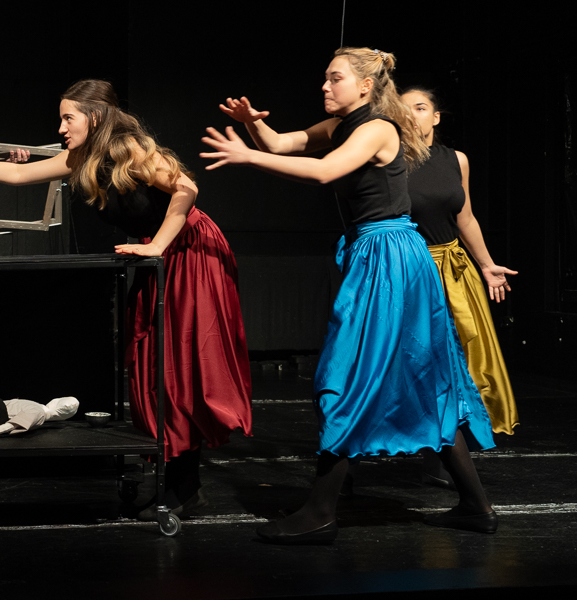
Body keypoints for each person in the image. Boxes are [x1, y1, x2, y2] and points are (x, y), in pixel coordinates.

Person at [202, 47, 496, 544]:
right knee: (424, 380)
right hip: (378, 255)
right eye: (325, 77)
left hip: (390, 257)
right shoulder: (342, 125)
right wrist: (254, 126)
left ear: (365, 86)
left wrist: (247, 157)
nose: (324, 86)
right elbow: (283, 142)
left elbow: (324, 171)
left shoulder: (378, 128)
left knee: (347, 378)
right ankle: (475, 506)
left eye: (334, 78)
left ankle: (320, 511)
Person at [0, 79, 253, 520]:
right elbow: (19, 175)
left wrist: (158, 245)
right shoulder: (80, 158)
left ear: (96, 117)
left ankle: (185, 488)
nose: (61, 127)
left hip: (190, 252)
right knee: (154, 366)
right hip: (159, 255)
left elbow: (187, 189)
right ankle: (183, 485)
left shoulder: (132, 149)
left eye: (69, 118)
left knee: (178, 367)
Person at [401, 87, 518, 482]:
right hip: (412, 270)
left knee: (462, 360)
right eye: (404, 109)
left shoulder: (456, 159)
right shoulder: (389, 158)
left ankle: (442, 458)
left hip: (453, 269)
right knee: (413, 361)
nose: (412, 115)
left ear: (436, 116)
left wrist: (486, 265)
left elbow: (464, 217)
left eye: (421, 108)